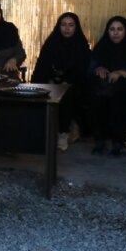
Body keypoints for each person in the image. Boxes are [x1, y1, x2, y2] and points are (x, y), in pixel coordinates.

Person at [31, 12, 92, 150]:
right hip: (51, 82)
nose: (67, 28)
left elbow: (82, 70)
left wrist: (67, 82)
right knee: (48, 92)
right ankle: (43, 133)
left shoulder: (81, 45)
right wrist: (50, 80)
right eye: (63, 25)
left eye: (71, 25)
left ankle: (63, 133)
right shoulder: (51, 43)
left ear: (76, 27)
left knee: (67, 95)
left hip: (74, 85)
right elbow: (42, 66)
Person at [88, 16, 126, 156]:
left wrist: (123, 72)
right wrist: (98, 68)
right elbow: (91, 66)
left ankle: (118, 143)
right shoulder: (102, 46)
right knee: (96, 100)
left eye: (119, 29)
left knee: (118, 102)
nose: (115, 33)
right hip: (103, 89)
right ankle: (100, 140)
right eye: (112, 29)